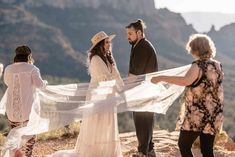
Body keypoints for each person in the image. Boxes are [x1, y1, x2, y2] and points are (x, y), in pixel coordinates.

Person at [49, 31, 123, 157]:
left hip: (109, 95)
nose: (109, 44)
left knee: (107, 122)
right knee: (97, 122)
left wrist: (120, 85)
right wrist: (115, 82)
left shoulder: (108, 57)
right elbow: (104, 79)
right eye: (106, 42)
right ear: (100, 45)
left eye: (109, 42)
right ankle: (96, 152)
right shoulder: (95, 59)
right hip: (98, 96)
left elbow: (115, 76)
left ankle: (107, 152)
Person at [151, 34, 224, 157]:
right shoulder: (217, 65)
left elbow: (185, 81)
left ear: (196, 49)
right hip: (214, 115)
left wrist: (161, 78)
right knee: (207, 150)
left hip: (197, 115)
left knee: (184, 145)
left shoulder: (197, 66)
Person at [2, 45, 47, 157]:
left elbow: (7, 83)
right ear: (29, 57)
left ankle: (15, 154)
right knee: (31, 134)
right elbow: (40, 86)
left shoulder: (8, 68)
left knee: (15, 133)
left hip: (12, 108)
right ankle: (27, 155)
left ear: (16, 56)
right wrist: (45, 82)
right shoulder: (33, 69)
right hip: (28, 108)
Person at [126, 19, 158, 157]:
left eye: (130, 33)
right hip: (146, 90)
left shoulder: (142, 47)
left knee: (142, 120)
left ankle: (142, 152)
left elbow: (134, 74)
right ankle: (149, 149)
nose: (128, 36)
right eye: (127, 33)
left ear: (139, 32)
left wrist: (123, 89)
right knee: (146, 119)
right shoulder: (139, 45)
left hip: (142, 90)